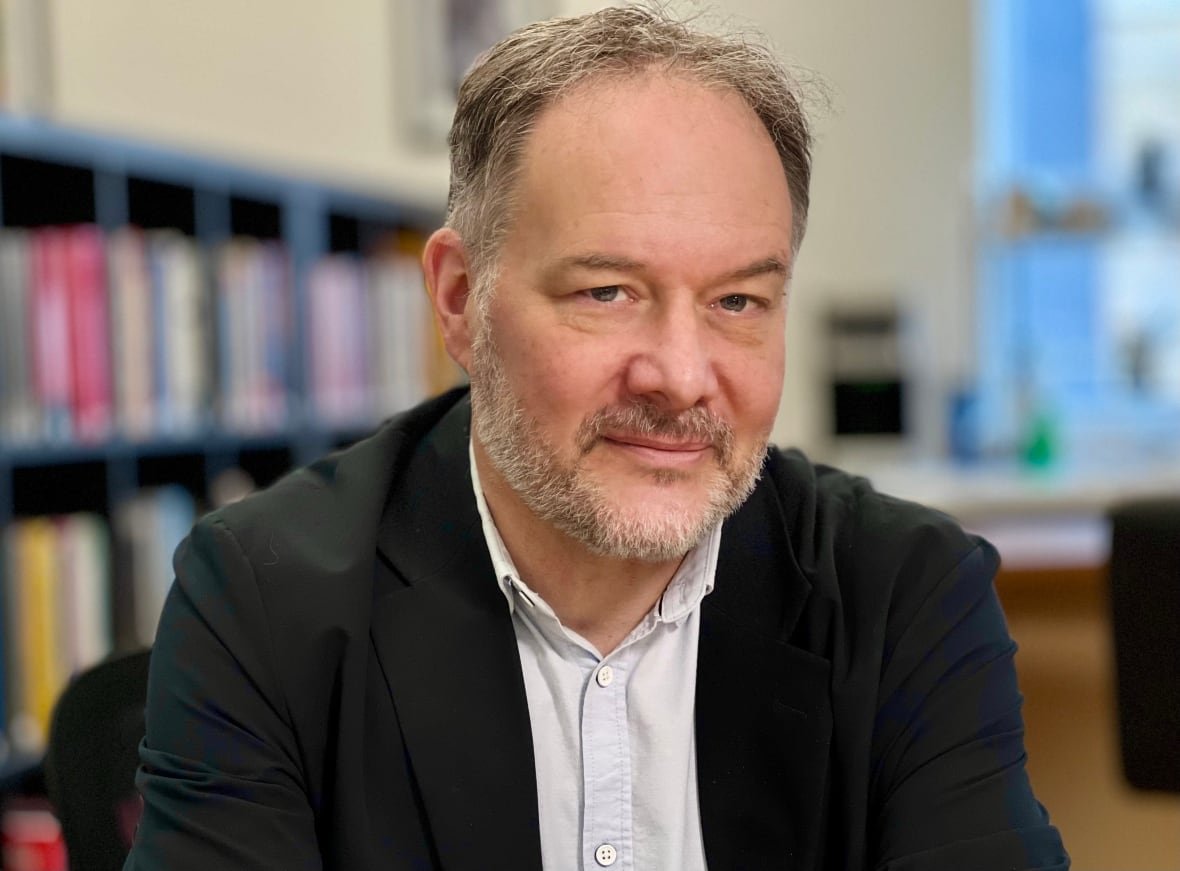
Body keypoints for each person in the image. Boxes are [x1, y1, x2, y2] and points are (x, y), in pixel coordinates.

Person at [124, 7, 1069, 870]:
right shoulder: (262, 599)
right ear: (461, 300)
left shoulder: (907, 594)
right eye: (607, 292)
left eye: (738, 301)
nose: (681, 375)